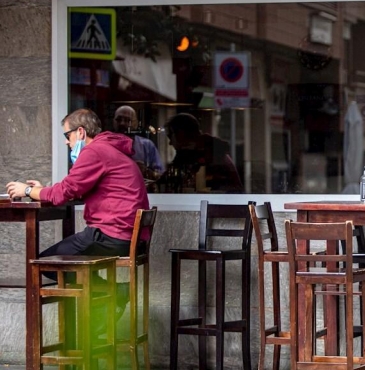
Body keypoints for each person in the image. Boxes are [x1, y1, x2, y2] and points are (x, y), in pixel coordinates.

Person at [5, 108, 150, 312]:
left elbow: (64, 192)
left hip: (112, 235)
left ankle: (115, 293)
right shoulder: (109, 149)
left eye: (67, 135)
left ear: (80, 132)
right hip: (127, 235)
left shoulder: (94, 151)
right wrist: (41, 190)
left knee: (45, 263)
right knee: (66, 264)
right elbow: (74, 189)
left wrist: (28, 189)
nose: (66, 141)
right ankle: (107, 305)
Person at [161, 113, 243, 193]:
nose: (170, 143)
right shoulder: (198, 152)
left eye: (170, 137)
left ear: (180, 134)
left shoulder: (208, 154)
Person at [113, 105, 164, 181]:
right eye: (118, 120)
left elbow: (160, 175)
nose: (122, 123)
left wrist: (145, 171)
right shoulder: (105, 146)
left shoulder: (147, 145)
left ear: (136, 124)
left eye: (128, 120)